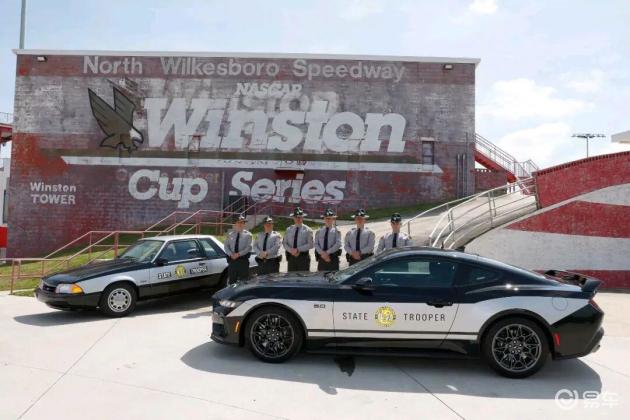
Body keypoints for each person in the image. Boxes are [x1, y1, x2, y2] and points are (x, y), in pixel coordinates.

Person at [223, 214, 252, 284]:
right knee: (232, 282)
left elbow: (249, 247)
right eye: (238, 222)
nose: (240, 224)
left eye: (242, 223)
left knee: (244, 282)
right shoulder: (230, 234)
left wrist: (238, 254)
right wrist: (231, 254)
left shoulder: (248, 235)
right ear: (235, 224)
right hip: (232, 261)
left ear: (244, 224)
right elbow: (226, 246)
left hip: (243, 262)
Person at [283, 207, 314, 272]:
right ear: (293, 218)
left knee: (303, 277)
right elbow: (284, 243)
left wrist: (297, 250)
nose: (298, 219)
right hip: (291, 257)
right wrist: (291, 250)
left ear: (302, 218)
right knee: (291, 276)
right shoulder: (288, 229)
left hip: (303, 258)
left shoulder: (308, 230)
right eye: (296, 217)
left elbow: (311, 244)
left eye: (300, 217)